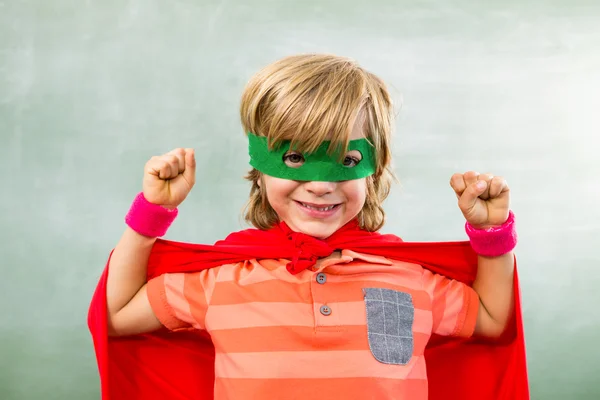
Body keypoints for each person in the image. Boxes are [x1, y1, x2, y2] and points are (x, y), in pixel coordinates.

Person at [89, 54, 528, 400]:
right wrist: (151, 214)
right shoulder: (220, 281)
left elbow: (491, 321)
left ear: (374, 171)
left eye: (348, 161)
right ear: (258, 169)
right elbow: (117, 315)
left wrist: (491, 235)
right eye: (295, 158)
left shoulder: (410, 280)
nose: (320, 184)